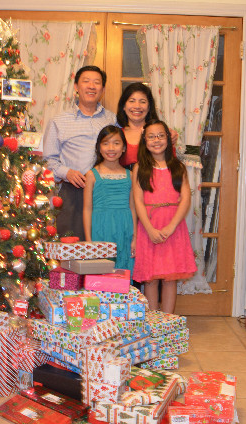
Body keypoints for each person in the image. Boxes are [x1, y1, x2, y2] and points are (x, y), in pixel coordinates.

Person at [43, 66, 116, 240]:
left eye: (97, 82)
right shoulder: (59, 121)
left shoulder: (112, 119)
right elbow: (47, 161)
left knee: (106, 245)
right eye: (86, 81)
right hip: (74, 192)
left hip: (107, 192)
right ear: (76, 86)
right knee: (72, 247)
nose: (91, 86)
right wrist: (67, 172)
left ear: (102, 89)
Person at [132, 119, 196, 313]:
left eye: (161, 136)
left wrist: (171, 227)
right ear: (144, 141)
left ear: (168, 139)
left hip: (173, 228)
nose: (156, 140)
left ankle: (167, 321)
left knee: (170, 278)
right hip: (149, 227)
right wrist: (149, 229)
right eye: (151, 136)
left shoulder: (178, 167)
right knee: (150, 279)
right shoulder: (139, 168)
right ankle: (153, 321)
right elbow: (138, 201)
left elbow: (185, 198)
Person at [83, 125, 136, 273]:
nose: (111, 148)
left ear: (123, 148)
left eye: (116, 143)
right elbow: (87, 209)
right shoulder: (92, 175)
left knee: (123, 272)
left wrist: (135, 238)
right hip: (101, 228)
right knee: (102, 273)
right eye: (106, 143)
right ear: (99, 148)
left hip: (125, 229)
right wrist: (88, 241)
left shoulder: (130, 175)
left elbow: (133, 208)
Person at [117, 82, 178, 168]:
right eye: (132, 101)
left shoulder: (162, 134)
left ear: (149, 107)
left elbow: (172, 166)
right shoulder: (117, 135)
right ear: (123, 106)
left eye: (142, 102)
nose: (137, 106)